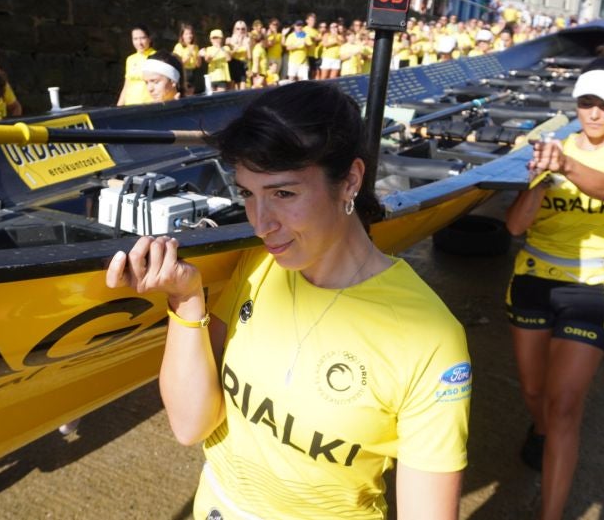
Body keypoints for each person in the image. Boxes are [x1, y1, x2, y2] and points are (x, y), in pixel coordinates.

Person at [105, 81, 470, 519]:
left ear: (350, 181)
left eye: (283, 193)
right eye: (247, 193)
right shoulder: (257, 265)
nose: (261, 224)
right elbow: (190, 425)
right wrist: (186, 303)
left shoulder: (429, 339)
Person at [504, 57, 604, 520]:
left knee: (566, 407)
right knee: (535, 393)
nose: (593, 113)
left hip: (589, 288)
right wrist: (539, 178)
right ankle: (541, 430)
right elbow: (514, 226)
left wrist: (566, 166)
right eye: (586, 102)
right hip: (532, 280)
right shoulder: (551, 147)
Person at [116, 26, 157, 106]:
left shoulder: (156, 56)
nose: (139, 43)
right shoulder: (130, 59)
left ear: (149, 38)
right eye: (135, 39)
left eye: (143, 38)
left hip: (148, 105)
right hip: (129, 105)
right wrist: (118, 106)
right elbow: (127, 86)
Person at [172, 23, 202, 96]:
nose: (189, 36)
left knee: (191, 94)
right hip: (183, 72)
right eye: (186, 34)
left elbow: (198, 65)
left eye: (190, 33)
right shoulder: (178, 46)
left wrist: (198, 56)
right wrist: (189, 52)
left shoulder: (195, 47)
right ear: (182, 36)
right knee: (184, 94)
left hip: (193, 72)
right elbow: (178, 63)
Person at [200, 29, 232, 93]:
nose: (215, 40)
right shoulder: (209, 49)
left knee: (221, 95)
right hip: (211, 77)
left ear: (221, 39)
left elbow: (229, 59)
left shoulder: (226, 48)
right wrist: (205, 54)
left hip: (222, 77)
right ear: (210, 40)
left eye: (218, 38)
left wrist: (220, 48)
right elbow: (207, 60)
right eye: (213, 38)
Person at [226, 20, 251, 90]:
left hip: (243, 65)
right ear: (234, 29)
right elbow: (228, 57)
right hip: (233, 64)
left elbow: (249, 57)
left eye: (243, 29)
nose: (240, 31)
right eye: (238, 29)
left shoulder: (248, 40)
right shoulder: (229, 39)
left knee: (242, 89)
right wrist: (236, 46)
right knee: (232, 88)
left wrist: (247, 45)